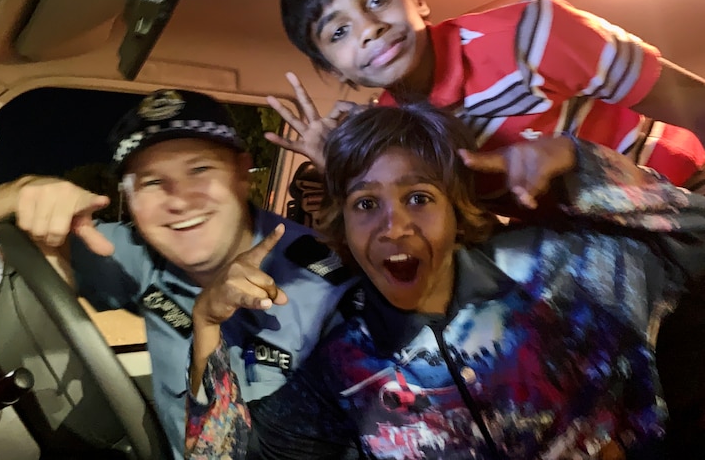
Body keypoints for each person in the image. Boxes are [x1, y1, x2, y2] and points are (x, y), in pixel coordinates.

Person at [185, 102, 705, 459]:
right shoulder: (340, 365)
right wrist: (206, 328)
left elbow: (695, 228)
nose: (394, 227)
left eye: (418, 198)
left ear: (457, 210)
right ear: (342, 224)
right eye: (366, 204)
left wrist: (576, 159)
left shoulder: (558, 270)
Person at [0, 88, 357, 459]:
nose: (179, 200)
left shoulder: (322, 282)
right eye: (151, 181)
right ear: (128, 198)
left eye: (199, 169)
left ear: (241, 173)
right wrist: (26, 190)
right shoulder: (141, 254)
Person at [269, 0, 705, 196]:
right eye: (338, 32)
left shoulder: (533, 34)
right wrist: (341, 168)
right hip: (598, 250)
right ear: (334, 69)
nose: (369, 28)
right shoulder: (393, 132)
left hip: (683, 189)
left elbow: (696, 105)